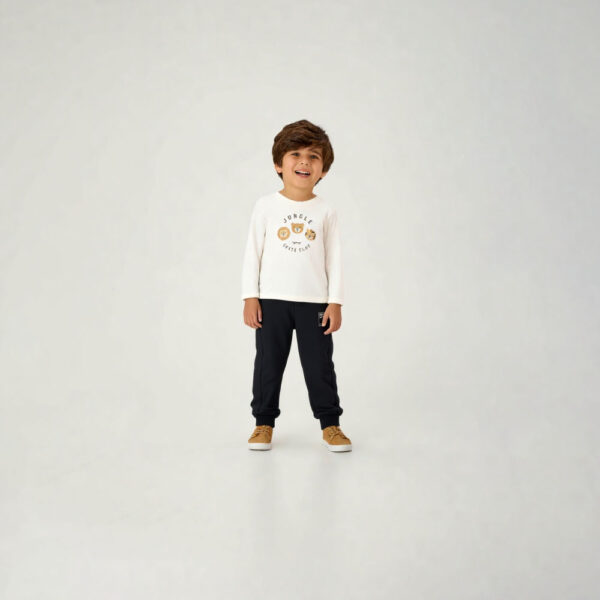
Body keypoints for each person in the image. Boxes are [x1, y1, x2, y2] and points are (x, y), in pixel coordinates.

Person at [241, 119, 352, 453]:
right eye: (296, 154)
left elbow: (335, 259)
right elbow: (252, 253)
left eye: (313, 157)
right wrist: (250, 297)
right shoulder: (265, 206)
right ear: (279, 164)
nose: (305, 162)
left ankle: (330, 425)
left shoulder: (326, 211)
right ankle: (263, 423)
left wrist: (335, 302)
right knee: (268, 364)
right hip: (271, 302)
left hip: (314, 302)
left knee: (320, 367)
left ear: (323, 170)